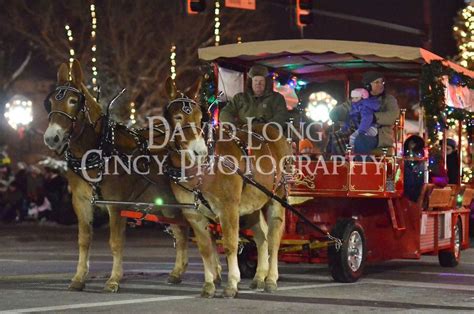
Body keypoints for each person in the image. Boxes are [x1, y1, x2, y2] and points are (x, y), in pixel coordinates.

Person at [219, 65, 289, 127]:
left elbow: (281, 116)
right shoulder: (240, 98)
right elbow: (225, 112)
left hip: (269, 136)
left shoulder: (277, 98)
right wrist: (233, 125)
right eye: (255, 80)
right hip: (244, 134)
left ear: (266, 82)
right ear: (251, 82)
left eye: (261, 80)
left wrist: (266, 127)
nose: (258, 83)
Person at [360, 71, 400, 153]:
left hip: (380, 136)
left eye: (382, 82)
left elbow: (393, 115)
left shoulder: (389, 100)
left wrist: (373, 117)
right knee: (336, 137)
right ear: (368, 86)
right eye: (377, 82)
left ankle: (363, 165)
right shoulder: (359, 98)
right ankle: (338, 164)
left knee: (361, 140)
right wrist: (337, 113)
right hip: (359, 131)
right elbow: (345, 108)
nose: (381, 85)